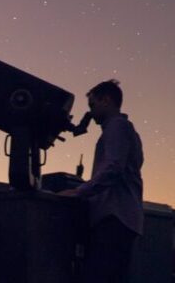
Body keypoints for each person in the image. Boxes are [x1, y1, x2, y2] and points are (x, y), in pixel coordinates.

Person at [60, 79, 144, 283]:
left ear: (106, 100)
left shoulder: (117, 127)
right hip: (122, 217)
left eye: (93, 105)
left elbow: (113, 168)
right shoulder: (127, 130)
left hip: (114, 217)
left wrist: (80, 191)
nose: (91, 112)